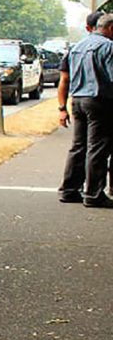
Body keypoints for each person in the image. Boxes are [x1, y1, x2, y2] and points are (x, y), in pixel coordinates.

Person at [58, 12, 113, 207]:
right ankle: (93, 193)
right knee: (97, 148)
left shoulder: (77, 46)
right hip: (99, 100)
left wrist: (62, 106)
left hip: (78, 100)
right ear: (110, 28)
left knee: (78, 146)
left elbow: (67, 77)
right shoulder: (108, 47)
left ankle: (69, 189)